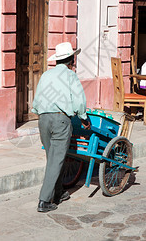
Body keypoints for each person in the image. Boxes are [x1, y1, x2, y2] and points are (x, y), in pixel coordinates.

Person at [32, 42, 90, 213]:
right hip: (60, 120)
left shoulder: (46, 75)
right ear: (71, 60)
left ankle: (58, 192)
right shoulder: (71, 76)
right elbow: (79, 101)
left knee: (52, 159)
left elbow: (36, 103)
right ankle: (44, 201)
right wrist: (84, 118)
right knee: (56, 160)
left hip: (43, 119)